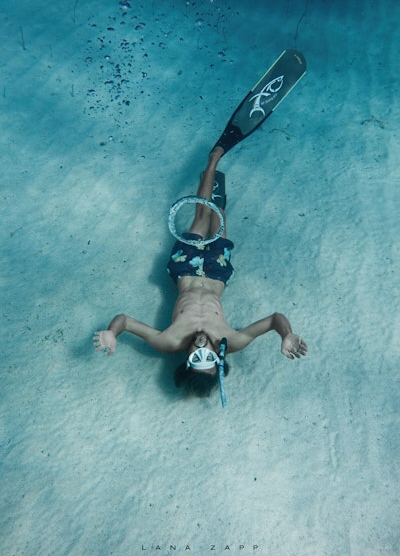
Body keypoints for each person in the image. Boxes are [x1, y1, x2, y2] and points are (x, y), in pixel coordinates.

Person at [93, 145, 308, 399]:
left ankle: (213, 160)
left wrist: (112, 331)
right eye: (210, 357)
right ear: (218, 360)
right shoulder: (232, 342)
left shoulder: (169, 342)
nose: (203, 347)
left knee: (202, 213)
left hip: (185, 268)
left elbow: (125, 321)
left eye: (198, 357)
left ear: (187, 360)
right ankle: (216, 193)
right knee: (220, 216)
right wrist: (287, 333)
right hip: (217, 273)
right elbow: (275, 319)